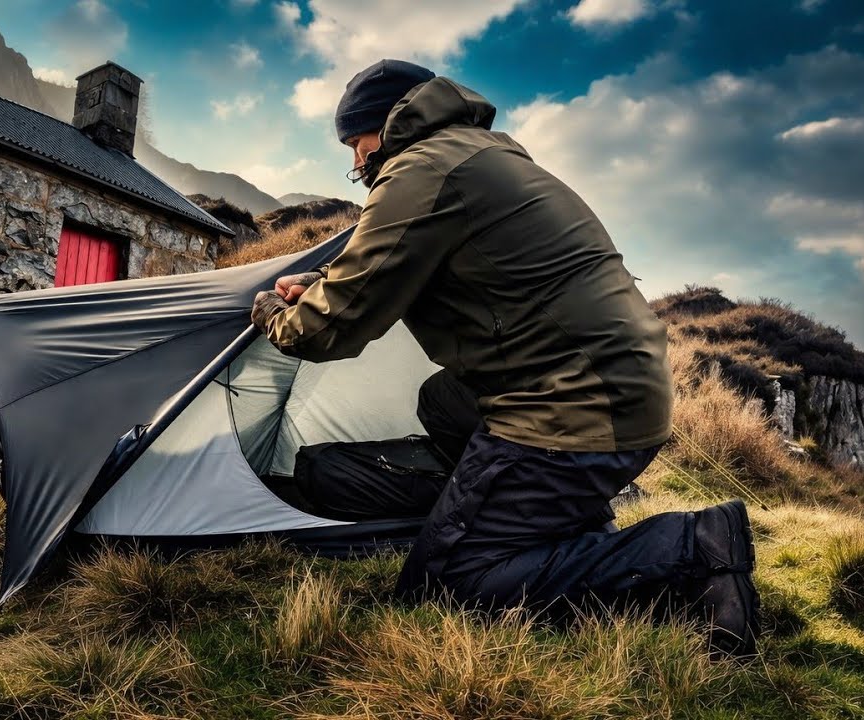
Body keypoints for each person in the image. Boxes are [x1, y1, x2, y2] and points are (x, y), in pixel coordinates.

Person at [250, 59, 760, 656]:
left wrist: (270, 312)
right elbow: (409, 267)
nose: (357, 164)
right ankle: (541, 518)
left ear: (385, 126)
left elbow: (327, 331)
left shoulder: (418, 169)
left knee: (446, 588)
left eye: (356, 145)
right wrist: (324, 278)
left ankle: (696, 547)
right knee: (442, 400)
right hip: (618, 383)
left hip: (574, 404)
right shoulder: (483, 157)